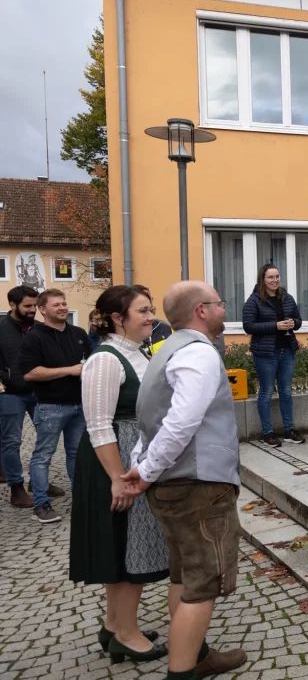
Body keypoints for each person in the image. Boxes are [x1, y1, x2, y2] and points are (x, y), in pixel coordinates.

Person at [121, 281, 247, 679]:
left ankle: (195, 655)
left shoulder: (166, 351)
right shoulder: (199, 354)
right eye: (219, 303)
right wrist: (146, 471)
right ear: (201, 310)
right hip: (198, 487)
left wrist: (143, 465)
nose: (224, 309)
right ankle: (182, 672)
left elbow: (149, 421)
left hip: (177, 485)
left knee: (184, 574)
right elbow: (180, 423)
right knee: (203, 583)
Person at [69, 285, 168, 664]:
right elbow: (98, 426)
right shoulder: (105, 360)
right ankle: (127, 634)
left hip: (131, 459)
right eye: (142, 311)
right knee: (124, 549)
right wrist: (118, 478)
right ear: (117, 318)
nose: (151, 316)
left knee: (126, 545)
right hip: (113, 463)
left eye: (151, 309)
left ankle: (114, 626)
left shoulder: (136, 352)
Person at [22, 288, 92, 523]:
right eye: (56, 305)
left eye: (64, 303)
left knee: (76, 454)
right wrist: (69, 370)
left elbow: (90, 362)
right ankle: (41, 505)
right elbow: (30, 373)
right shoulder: (34, 337)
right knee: (43, 455)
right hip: (50, 406)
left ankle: (82, 500)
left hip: (79, 406)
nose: (62, 308)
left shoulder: (78, 333)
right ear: (42, 310)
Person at [242, 264, 305, 448]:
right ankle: (267, 433)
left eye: (277, 276)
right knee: (266, 391)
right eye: (271, 277)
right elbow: (248, 326)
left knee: (286, 391)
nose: (275, 280)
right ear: (263, 279)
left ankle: (289, 430)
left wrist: (294, 323)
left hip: (287, 350)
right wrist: (274, 326)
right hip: (265, 353)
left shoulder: (287, 297)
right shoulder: (253, 301)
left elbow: (299, 320)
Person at [0, 285, 40, 508]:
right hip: (10, 393)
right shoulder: (1, 328)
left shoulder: (39, 328)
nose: (32, 310)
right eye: (27, 306)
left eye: (34, 305)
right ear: (12, 305)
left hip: (39, 391)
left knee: (46, 436)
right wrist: (6, 379)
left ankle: (39, 480)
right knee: (11, 441)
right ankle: (16, 488)